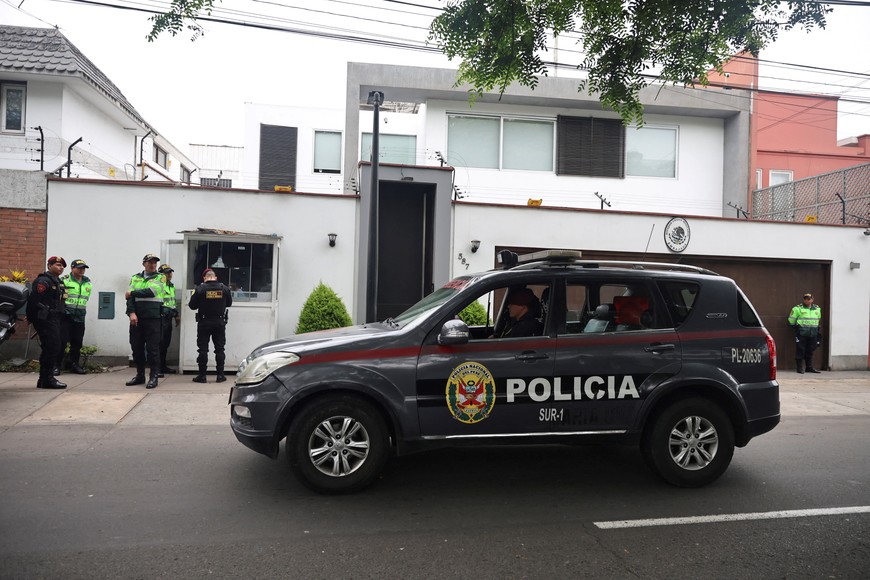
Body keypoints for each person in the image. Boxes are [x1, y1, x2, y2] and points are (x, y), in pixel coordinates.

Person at [125, 253, 166, 389]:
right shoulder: (135, 277)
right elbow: (129, 299)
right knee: (136, 348)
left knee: (152, 349)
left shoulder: (161, 277)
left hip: (153, 318)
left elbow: (152, 291)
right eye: (150, 262)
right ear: (144, 264)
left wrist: (132, 293)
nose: (153, 265)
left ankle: (153, 376)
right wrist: (131, 313)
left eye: (155, 263)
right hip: (137, 318)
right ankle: (140, 375)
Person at [26, 256, 67, 389]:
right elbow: (33, 300)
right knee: (52, 347)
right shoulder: (43, 281)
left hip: (54, 319)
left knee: (52, 347)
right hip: (44, 319)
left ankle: (44, 379)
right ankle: (47, 379)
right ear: (49, 266)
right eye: (57, 265)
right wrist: (31, 318)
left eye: (62, 266)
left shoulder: (58, 282)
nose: (61, 268)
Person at [188, 268, 233, 383]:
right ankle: (220, 375)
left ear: (204, 277)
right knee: (220, 349)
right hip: (219, 322)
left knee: (203, 350)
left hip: (204, 322)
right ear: (215, 277)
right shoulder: (224, 288)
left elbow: (192, 306)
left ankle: (202, 376)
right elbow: (229, 303)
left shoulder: (200, 289)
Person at [57, 259, 92, 375]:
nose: (82, 270)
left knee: (77, 343)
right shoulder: (64, 280)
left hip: (80, 317)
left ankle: (74, 365)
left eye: (83, 268)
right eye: (79, 268)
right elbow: (59, 298)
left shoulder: (88, 282)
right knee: (61, 342)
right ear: (72, 268)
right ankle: (56, 366)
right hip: (66, 316)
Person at [788, 292, 822, 373]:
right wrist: (797, 328)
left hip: (813, 333)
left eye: (809, 299)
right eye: (806, 299)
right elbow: (791, 319)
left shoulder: (817, 308)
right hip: (802, 333)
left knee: (810, 350)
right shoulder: (797, 308)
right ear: (804, 300)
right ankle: (799, 368)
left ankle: (809, 367)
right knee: (800, 350)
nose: (808, 301)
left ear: (812, 299)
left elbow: (818, 318)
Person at [157, 264, 180, 377]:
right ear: (161, 274)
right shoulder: (159, 285)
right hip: (161, 317)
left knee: (165, 343)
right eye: (167, 272)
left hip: (169, 317)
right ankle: (157, 368)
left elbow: (172, 302)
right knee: (159, 343)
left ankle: (163, 366)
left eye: (170, 272)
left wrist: (176, 315)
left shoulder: (171, 286)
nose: (169, 274)